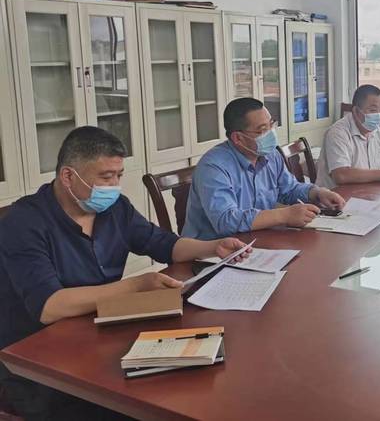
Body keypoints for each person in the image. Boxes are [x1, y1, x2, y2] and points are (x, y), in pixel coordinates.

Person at [0, 126, 251, 420]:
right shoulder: (24, 223)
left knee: (195, 385)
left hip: (100, 337)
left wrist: (212, 247)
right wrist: (136, 286)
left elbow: (163, 244)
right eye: (106, 177)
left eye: (119, 175)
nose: (115, 186)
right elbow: (49, 306)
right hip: (40, 366)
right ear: (68, 176)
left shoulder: (115, 208)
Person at [182, 98, 344, 239]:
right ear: (238, 138)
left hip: (255, 241)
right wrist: (284, 215)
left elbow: (289, 189)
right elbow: (226, 221)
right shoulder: (214, 167)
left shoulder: (271, 155)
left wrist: (317, 193)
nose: (270, 134)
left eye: (271, 125)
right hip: (210, 252)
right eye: (262, 130)